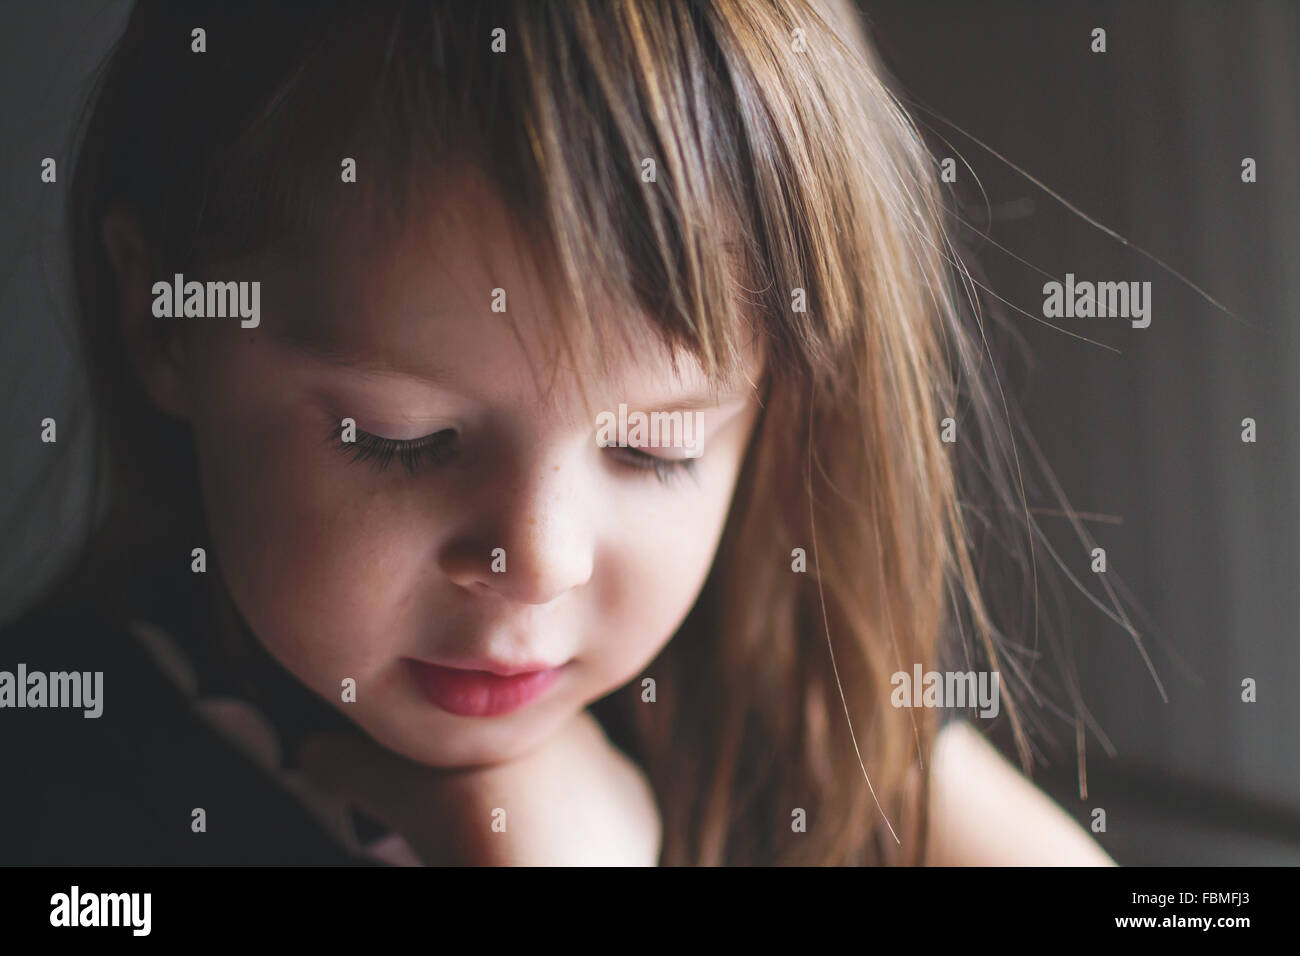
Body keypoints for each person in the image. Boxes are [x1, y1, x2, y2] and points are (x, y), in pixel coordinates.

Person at [0, 0, 1114, 866]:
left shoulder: (774, 706)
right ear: (164, 321)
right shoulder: (58, 786)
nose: (536, 559)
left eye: (655, 447)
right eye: (402, 437)